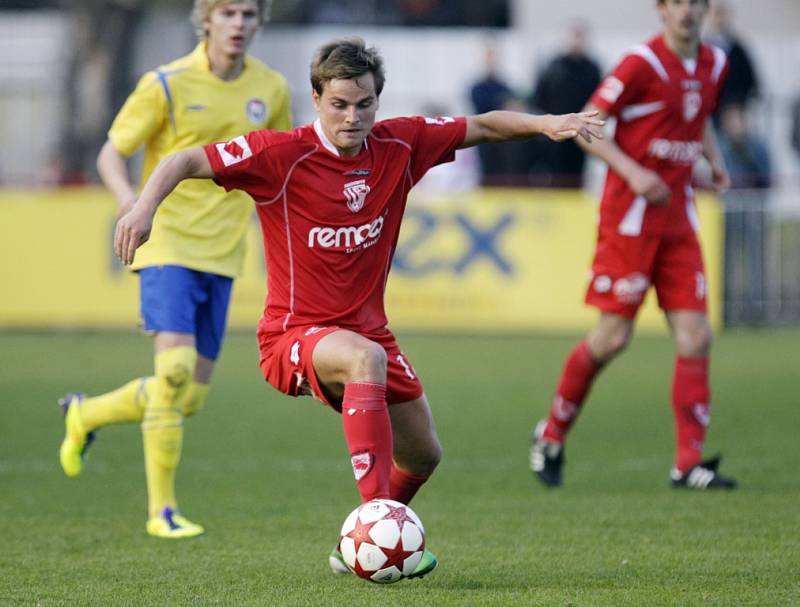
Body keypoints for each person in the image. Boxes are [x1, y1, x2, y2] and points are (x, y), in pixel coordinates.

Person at [113, 37, 602, 574]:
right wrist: (142, 209)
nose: (353, 116)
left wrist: (547, 122)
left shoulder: (401, 145)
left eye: (365, 104)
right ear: (318, 98)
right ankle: (375, 522)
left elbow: (481, 125)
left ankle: (355, 549)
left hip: (370, 331)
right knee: (364, 358)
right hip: (292, 336)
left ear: (378, 100)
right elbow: (184, 159)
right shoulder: (280, 155)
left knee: (423, 454)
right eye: (340, 104)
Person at [57, 0, 292, 539]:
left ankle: (85, 414)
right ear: (205, 19)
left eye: (249, 14)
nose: (238, 24)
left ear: (259, 22)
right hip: (167, 244)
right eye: (228, 13)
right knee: (176, 370)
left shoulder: (271, 89)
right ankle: (161, 512)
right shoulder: (165, 83)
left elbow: (280, 162)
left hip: (224, 253)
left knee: (188, 397)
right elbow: (111, 154)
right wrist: (128, 202)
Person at [529, 0, 738, 491]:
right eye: (677, 3)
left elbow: (699, 113)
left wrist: (714, 158)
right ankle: (552, 432)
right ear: (661, 10)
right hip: (630, 220)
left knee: (696, 336)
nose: (687, 12)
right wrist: (634, 171)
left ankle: (688, 464)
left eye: (696, 3)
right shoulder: (639, 63)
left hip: (679, 220)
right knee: (613, 337)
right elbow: (587, 127)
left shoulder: (716, 62)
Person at [716, 103, 772, 323]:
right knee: (725, 260)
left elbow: (765, 173)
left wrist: (744, 148)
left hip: (752, 210)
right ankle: (725, 308)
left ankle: (756, 309)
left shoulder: (756, 145)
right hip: (727, 210)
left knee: (755, 261)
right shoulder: (719, 145)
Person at [530, 21, 601, 187]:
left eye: (580, 37)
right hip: (557, 130)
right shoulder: (554, 66)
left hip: (581, 132)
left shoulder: (592, 68)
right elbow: (540, 96)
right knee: (555, 174)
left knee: (577, 174)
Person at [703, 1, 760, 113]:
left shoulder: (737, 48)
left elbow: (749, 76)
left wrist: (740, 99)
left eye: (722, 15)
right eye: (716, 15)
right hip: (711, 107)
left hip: (733, 107)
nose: (719, 20)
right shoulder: (704, 48)